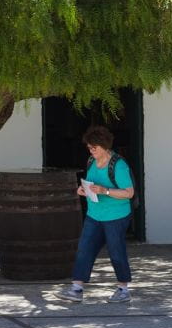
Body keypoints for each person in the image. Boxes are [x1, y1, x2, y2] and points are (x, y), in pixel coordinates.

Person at [57, 125, 135, 303]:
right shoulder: (91, 161)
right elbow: (92, 183)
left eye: (94, 148)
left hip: (116, 216)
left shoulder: (119, 165)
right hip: (94, 214)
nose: (91, 150)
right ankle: (76, 289)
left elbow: (129, 193)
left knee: (116, 252)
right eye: (89, 147)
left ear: (105, 146)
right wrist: (84, 190)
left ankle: (123, 289)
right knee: (84, 250)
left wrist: (105, 191)